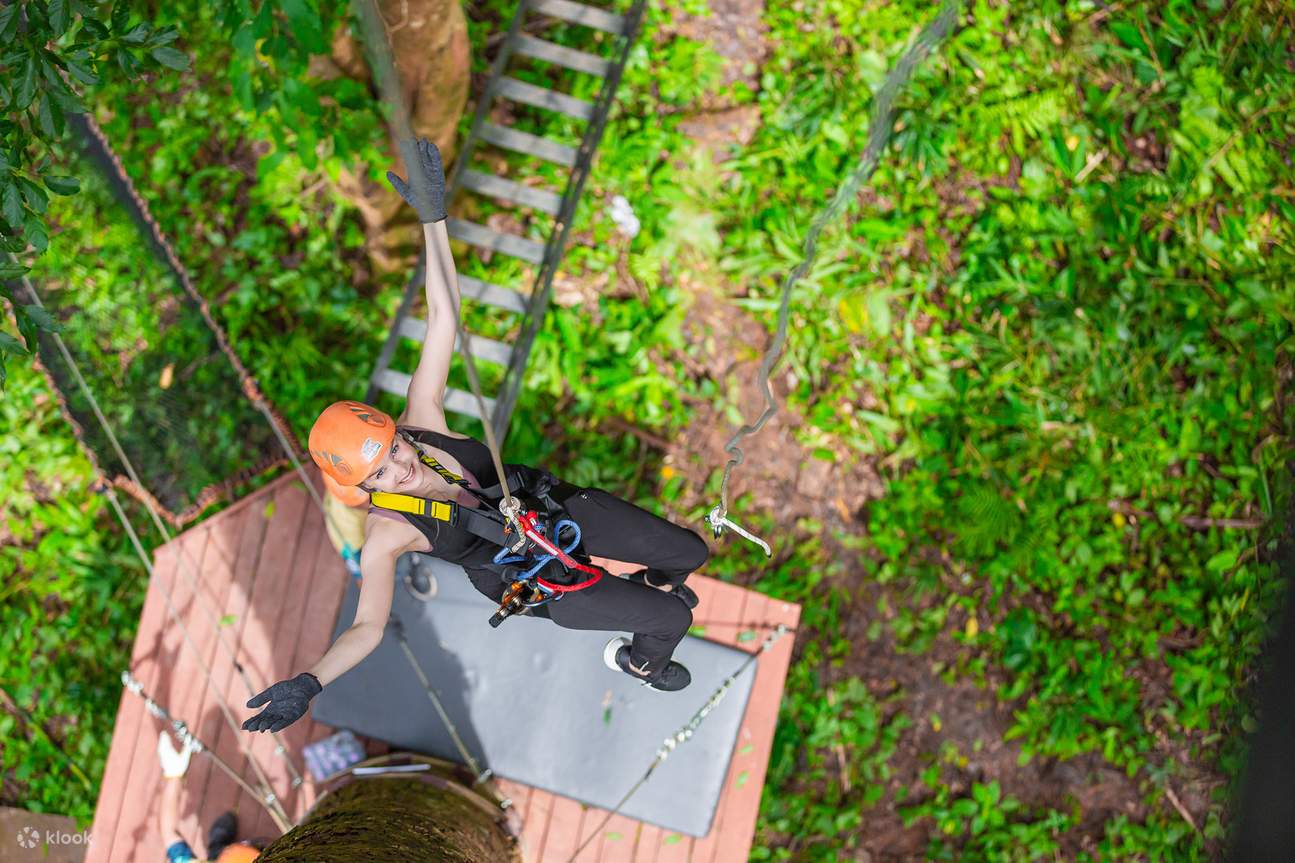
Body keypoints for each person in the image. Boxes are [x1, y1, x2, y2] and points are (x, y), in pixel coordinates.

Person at [242, 139, 710, 739]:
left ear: (397, 432)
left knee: (689, 553)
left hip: (556, 510)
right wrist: (311, 682)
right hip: (539, 579)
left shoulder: (424, 420)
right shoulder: (387, 534)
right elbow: (367, 627)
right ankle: (640, 660)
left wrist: (433, 219)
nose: (400, 469)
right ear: (363, 489)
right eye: (379, 474)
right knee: (670, 618)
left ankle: (650, 584)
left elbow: (443, 316)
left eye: (394, 451)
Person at [156, 731, 263, 862]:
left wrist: (174, 775)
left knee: (220, 837)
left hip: (226, 856)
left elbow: (170, 834)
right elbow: (170, 834)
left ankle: (220, 840)